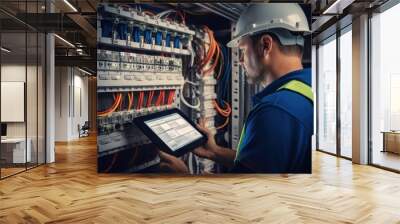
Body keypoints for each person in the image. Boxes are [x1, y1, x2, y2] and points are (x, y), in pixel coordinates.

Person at [160, 3, 313, 173]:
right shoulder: (309, 87)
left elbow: (248, 195)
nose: (240, 61)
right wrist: (215, 151)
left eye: (242, 51)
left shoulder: (275, 111)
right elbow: (264, 164)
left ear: (265, 45)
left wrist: (185, 179)